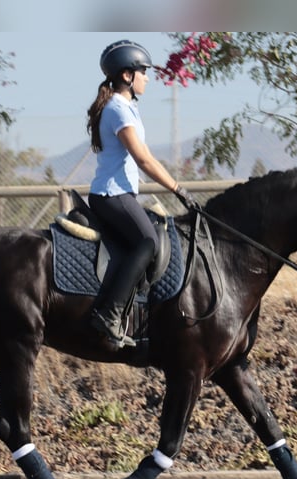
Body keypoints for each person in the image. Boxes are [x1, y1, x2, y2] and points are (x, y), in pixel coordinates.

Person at [86, 39, 199, 348]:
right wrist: (177, 188)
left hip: (119, 194)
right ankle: (109, 314)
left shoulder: (124, 106)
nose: (148, 77)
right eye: (143, 71)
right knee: (147, 241)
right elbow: (144, 159)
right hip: (112, 195)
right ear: (126, 75)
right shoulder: (118, 110)